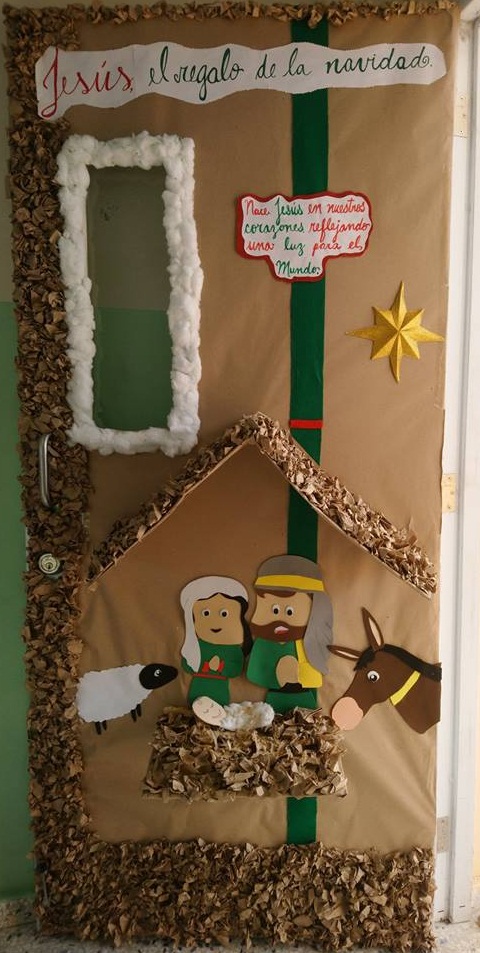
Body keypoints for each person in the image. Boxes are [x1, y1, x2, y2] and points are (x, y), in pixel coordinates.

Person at [246, 554, 333, 713]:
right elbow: (254, 673)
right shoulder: (263, 644)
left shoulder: (309, 643)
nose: (279, 620)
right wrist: (276, 674)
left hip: (303, 700)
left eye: (290, 611)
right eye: (274, 610)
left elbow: (313, 677)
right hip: (273, 701)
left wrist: (297, 674)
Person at [180, 576, 250, 705]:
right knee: (196, 705)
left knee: (219, 706)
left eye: (224, 614)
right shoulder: (197, 645)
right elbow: (187, 664)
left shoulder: (233, 649)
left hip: (220, 688)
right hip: (198, 686)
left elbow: (235, 670)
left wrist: (220, 667)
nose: (215, 621)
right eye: (206, 613)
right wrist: (204, 665)